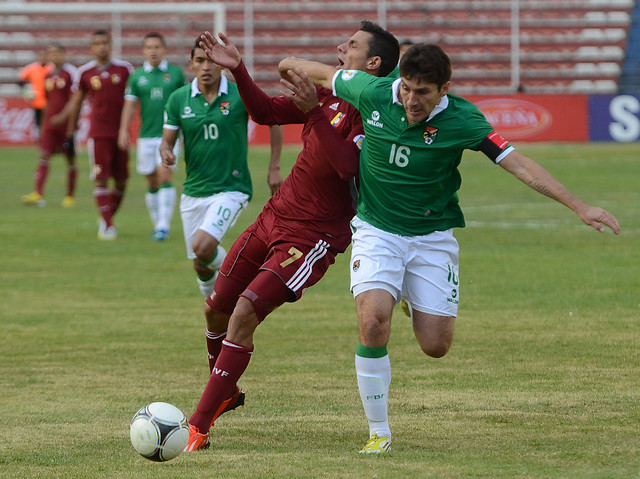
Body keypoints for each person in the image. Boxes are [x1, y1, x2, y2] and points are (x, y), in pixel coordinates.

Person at [278, 43, 621, 453]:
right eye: (406, 88)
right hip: (376, 230)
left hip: (432, 238)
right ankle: (379, 432)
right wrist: (287, 66)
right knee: (373, 323)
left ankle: (406, 293)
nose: (411, 99)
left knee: (435, 346)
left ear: (444, 89)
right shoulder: (371, 91)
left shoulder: (464, 119)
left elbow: (521, 165)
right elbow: (310, 70)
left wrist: (579, 206)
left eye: (423, 92)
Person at [182, 22, 399, 452]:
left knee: (244, 312)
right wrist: (238, 71)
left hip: (314, 235)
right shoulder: (327, 95)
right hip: (274, 216)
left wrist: (314, 112)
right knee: (216, 309)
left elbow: (347, 168)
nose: (340, 47)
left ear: (372, 63)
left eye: (351, 45)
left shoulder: (380, 114)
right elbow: (264, 112)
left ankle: (196, 425)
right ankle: (224, 390)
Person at [160, 38, 283, 299]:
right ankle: (214, 305)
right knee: (200, 262)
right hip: (193, 191)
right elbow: (166, 141)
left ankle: (242, 284)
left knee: (204, 248)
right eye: (200, 61)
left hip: (231, 188)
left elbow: (273, 119)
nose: (206, 67)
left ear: (221, 64)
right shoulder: (178, 99)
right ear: (190, 64)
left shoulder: (239, 94)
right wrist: (166, 152)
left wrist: (274, 167)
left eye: (211, 61)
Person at [52, 30, 134, 240]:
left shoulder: (124, 69)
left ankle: (107, 218)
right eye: (97, 43)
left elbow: (133, 99)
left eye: (105, 42)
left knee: (122, 180)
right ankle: (108, 225)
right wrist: (71, 134)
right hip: (98, 134)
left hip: (121, 133)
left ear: (111, 44)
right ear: (92, 47)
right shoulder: (85, 72)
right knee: (101, 178)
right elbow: (77, 103)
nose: (101, 47)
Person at [118, 32, 186, 242]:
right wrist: (123, 130)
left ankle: (163, 226)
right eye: (149, 47)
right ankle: (158, 223)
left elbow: (184, 104)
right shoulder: (137, 77)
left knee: (165, 175)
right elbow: (129, 105)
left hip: (169, 136)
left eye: (157, 47)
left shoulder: (175, 74)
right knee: (151, 179)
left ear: (164, 49)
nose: (153, 51)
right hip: (146, 136)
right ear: (143, 51)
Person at [21, 44, 78, 208]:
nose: (53, 56)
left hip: (66, 125)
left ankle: (69, 196)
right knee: (44, 156)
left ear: (63, 54)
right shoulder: (48, 75)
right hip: (51, 125)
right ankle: (38, 193)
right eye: (50, 53)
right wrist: (44, 125)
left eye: (56, 53)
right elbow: (47, 103)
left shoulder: (70, 73)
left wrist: (67, 122)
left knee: (70, 159)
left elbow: (74, 101)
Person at [18, 49, 53, 140]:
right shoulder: (31, 68)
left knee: (50, 121)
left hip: (51, 101)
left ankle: (49, 139)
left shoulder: (52, 68)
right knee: (38, 123)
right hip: (37, 101)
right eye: (41, 56)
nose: (42, 58)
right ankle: (40, 140)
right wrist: (26, 93)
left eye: (44, 56)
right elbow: (20, 82)